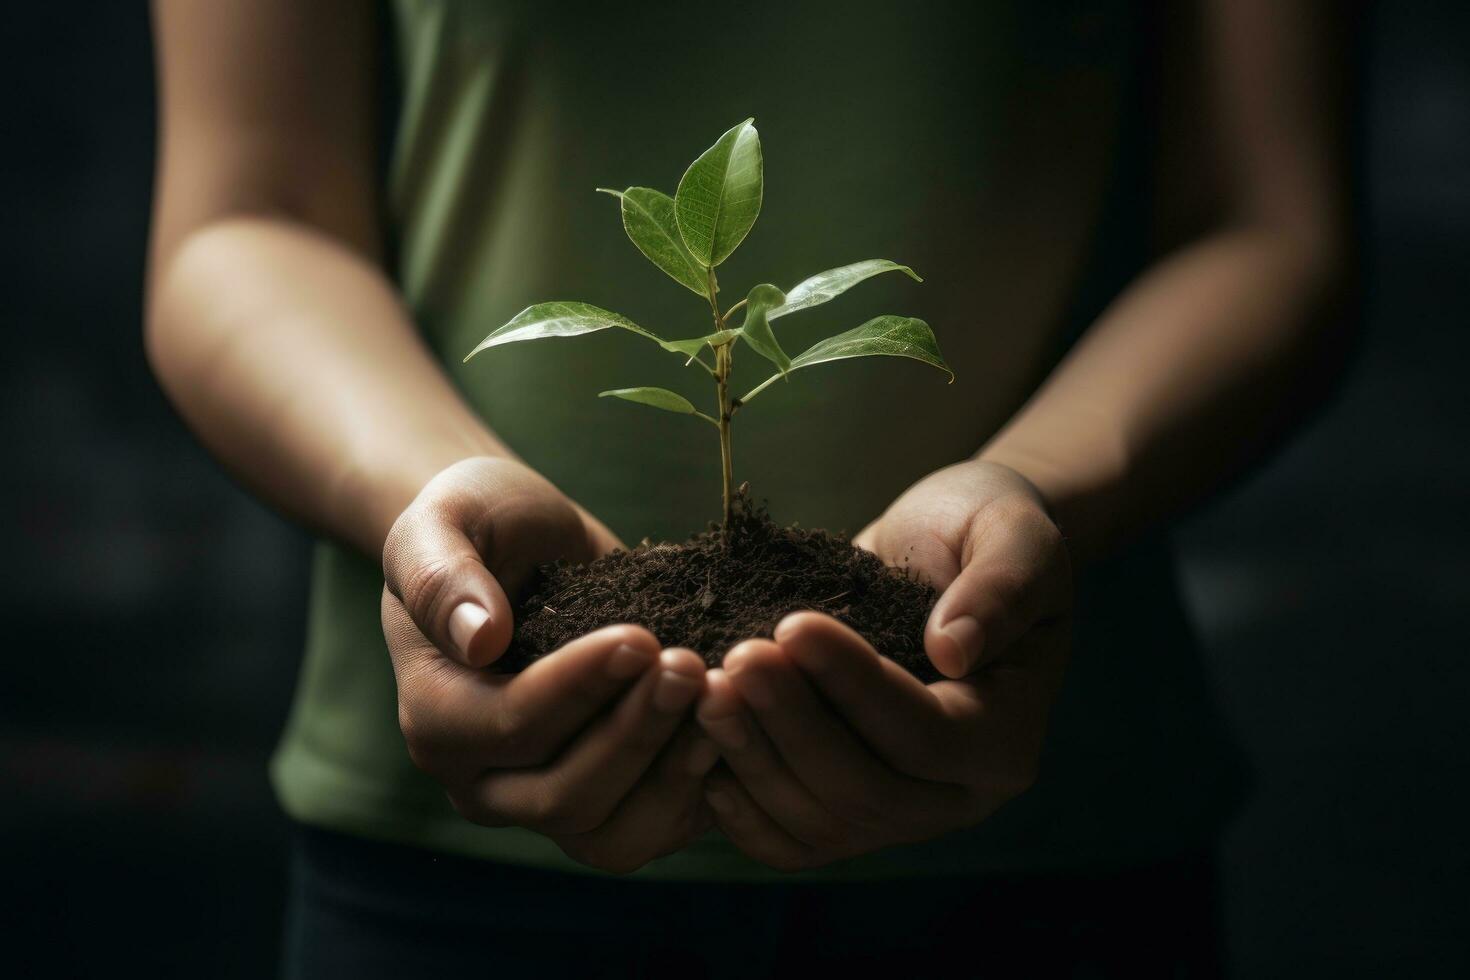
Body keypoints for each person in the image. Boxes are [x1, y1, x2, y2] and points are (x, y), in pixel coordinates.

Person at [147, 1, 1354, 975]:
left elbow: (1271, 222)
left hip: (1053, 838)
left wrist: (1037, 489)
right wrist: (426, 492)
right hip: (450, 860)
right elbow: (251, 216)